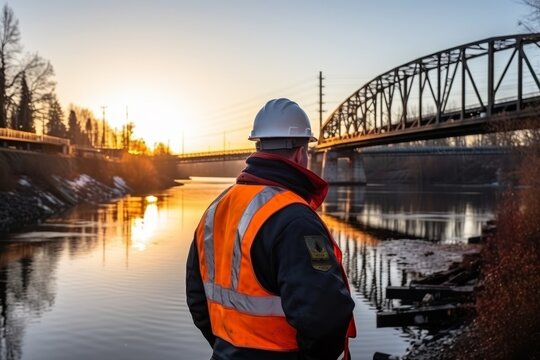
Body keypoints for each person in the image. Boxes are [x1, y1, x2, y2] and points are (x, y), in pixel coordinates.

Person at [186, 98, 356, 360]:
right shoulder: (294, 219)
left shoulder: (217, 208)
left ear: (258, 146)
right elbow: (324, 318)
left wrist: (228, 348)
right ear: (301, 154)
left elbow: (197, 299)